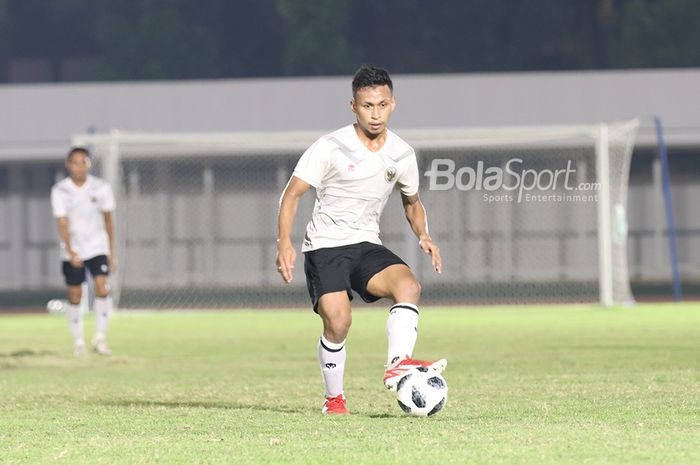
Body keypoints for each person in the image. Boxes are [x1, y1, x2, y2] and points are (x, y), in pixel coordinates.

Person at [276, 65, 446, 414]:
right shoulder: (330, 146)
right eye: (367, 105)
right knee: (339, 322)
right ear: (353, 106)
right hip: (325, 245)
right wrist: (284, 243)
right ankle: (334, 400)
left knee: (409, 286)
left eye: (382, 104)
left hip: (366, 243)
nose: (375, 113)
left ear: (393, 103)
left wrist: (424, 235)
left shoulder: (401, 154)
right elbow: (292, 194)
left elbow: (411, 202)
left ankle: (398, 363)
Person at [51, 147, 116, 356]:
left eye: (83, 162)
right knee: (75, 294)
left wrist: (111, 252)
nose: (79, 166)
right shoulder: (60, 190)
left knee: (102, 287)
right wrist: (71, 250)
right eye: (75, 162)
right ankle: (78, 341)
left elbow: (108, 220)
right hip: (73, 249)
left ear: (89, 164)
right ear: (68, 165)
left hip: (97, 246)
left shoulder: (101, 187)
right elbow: (62, 222)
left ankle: (100, 338)